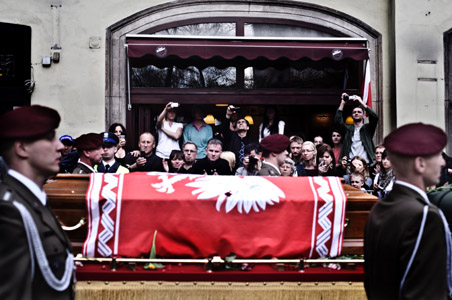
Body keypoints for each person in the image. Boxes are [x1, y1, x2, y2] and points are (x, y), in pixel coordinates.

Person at [364, 122, 451, 299]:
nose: (443, 162)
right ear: (420, 164)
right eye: (438, 155)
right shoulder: (425, 215)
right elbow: (428, 291)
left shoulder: (380, 208)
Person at [0, 105, 74, 299]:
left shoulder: (30, 199)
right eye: (49, 137)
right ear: (22, 148)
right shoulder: (8, 211)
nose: (59, 146)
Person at [334, 93, 379, 164]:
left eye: (359, 112)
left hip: (366, 164)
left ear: (363, 116)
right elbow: (337, 121)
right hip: (350, 164)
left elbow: (375, 117)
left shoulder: (367, 129)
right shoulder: (347, 129)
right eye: (354, 112)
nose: (356, 113)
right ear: (352, 116)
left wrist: (361, 102)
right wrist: (343, 102)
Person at [219, 105, 254, 169]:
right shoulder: (231, 137)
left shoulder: (252, 142)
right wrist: (228, 116)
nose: (240, 123)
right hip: (233, 168)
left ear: (247, 127)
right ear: (236, 127)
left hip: (248, 169)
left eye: (243, 122)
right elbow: (225, 130)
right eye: (238, 122)